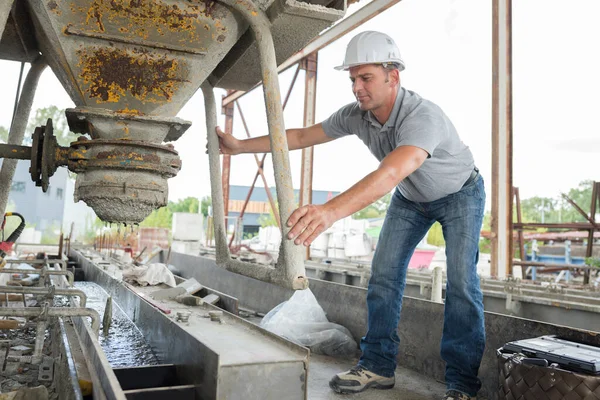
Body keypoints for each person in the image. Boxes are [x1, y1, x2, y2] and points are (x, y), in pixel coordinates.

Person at [215, 30, 485, 400]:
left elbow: (390, 173)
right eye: (352, 79)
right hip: (411, 198)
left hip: (460, 195)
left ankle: (463, 385)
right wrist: (241, 147)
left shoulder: (424, 117)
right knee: (384, 276)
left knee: (461, 285)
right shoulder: (357, 116)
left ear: (394, 76)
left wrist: (330, 211)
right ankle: (377, 365)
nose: (357, 87)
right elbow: (300, 136)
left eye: (366, 77)